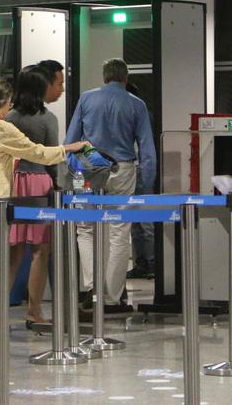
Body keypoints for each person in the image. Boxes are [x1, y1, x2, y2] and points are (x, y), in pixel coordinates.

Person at [0, 78, 88, 301]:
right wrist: (70, 148)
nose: (9, 106)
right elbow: (37, 152)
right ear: (1, 101)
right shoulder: (1, 128)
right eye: (8, 102)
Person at [66, 58, 157, 312]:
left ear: (105, 77)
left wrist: (74, 171)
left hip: (89, 169)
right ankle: (110, 297)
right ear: (126, 78)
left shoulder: (86, 99)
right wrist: (147, 183)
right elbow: (147, 150)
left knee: (85, 229)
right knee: (119, 231)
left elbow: (70, 141)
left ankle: (90, 287)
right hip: (122, 169)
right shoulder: (136, 104)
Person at [4, 67, 64, 325]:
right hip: (39, 182)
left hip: (13, 182)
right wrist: (58, 184)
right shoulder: (47, 118)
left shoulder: (9, 117)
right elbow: (51, 155)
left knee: (13, 251)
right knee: (41, 250)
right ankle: (34, 311)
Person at [125, 81, 154, 280]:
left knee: (145, 219)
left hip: (140, 169)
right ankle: (141, 263)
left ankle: (150, 263)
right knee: (134, 221)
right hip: (130, 168)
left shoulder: (142, 114)